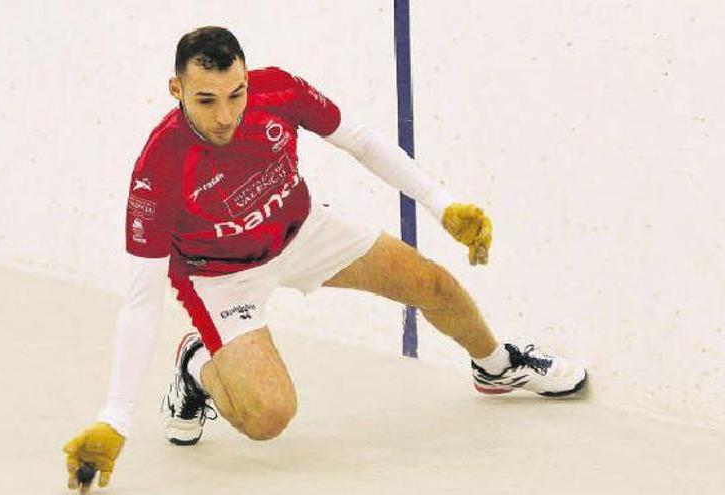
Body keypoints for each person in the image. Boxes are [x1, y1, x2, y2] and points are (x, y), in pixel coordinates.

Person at [62, 25, 587, 493]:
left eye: (236, 94)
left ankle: (496, 369)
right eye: (206, 100)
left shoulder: (279, 90)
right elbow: (141, 301)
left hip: (306, 231)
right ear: (176, 90)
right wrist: (116, 417)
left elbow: (359, 141)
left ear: (248, 79)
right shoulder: (159, 168)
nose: (225, 116)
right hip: (221, 279)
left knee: (434, 286)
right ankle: (197, 364)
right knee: (268, 417)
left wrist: (440, 203)